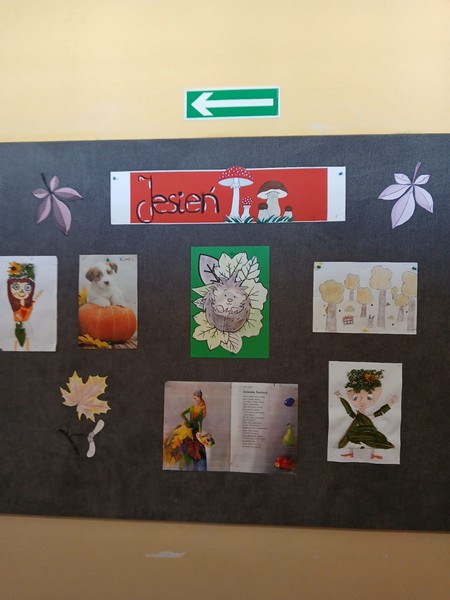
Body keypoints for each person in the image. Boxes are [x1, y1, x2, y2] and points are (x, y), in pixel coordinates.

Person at [335, 369, 398, 460]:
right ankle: (351, 453)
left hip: (368, 432)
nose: (361, 402)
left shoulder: (369, 417)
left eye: (368, 397)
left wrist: (391, 403)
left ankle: (372, 454)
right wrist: (340, 397)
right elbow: (348, 409)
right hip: (357, 432)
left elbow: (381, 412)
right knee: (352, 440)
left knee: (372, 440)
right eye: (356, 398)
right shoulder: (356, 416)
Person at [163, 390, 213, 471]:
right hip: (190, 432)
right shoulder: (194, 408)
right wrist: (189, 423)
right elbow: (184, 415)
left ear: (199, 399)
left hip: (194, 433)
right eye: (193, 398)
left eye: (195, 398)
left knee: (197, 457)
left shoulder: (199, 410)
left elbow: (199, 423)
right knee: (190, 457)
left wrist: (197, 430)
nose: (193, 400)